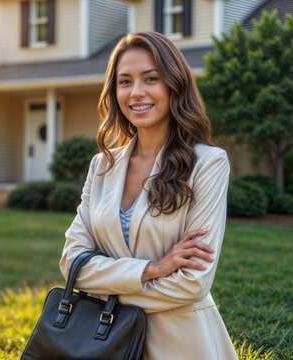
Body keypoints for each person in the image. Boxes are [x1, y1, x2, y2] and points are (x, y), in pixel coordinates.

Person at [59, 31, 238, 359]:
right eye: (124, 81)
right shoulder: (101, 167)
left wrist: (102, 289)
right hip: (105, 344)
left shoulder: (208, 163)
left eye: (150, 78)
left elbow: (192, 284)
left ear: (174, 85)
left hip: (182, 344)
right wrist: (150, 270)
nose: (136, 92)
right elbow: (71, 263)